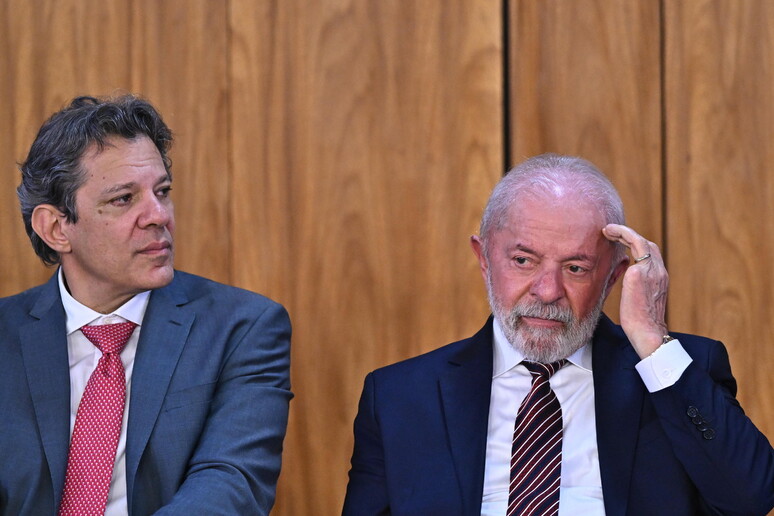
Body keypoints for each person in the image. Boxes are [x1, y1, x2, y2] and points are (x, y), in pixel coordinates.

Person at [343, 153, 774, 515]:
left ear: (613, 276)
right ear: (484, 258)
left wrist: (651, 339)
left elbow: (750, 501)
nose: (548, 291)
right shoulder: (399, 397)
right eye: (523, 261)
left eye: (576, 268)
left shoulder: (675, 373)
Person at [0, 95, 292, 515]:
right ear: (56, 228)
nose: (158, 216)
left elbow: (231, 483)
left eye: (163, 192)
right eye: (123, 199)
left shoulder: (243, 327)